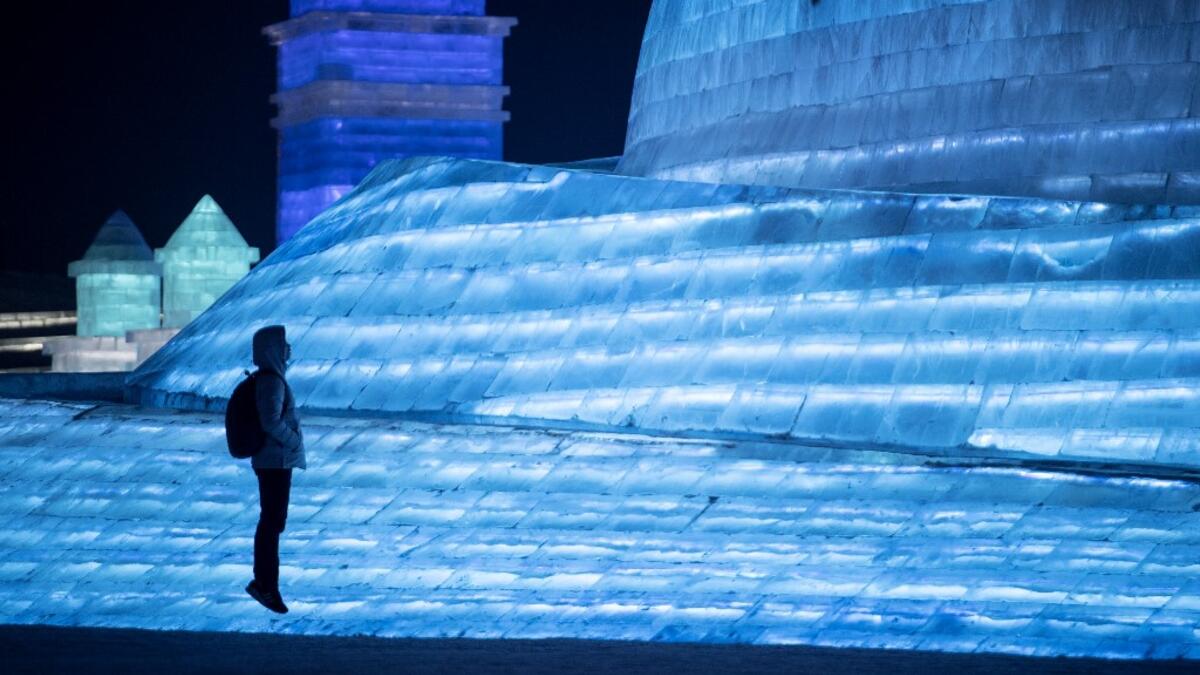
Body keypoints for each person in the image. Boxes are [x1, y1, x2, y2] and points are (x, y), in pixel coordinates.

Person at [244, 325, 305, 614]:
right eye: (283, 345)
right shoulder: (273, 382)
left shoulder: (270, 379)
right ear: (272, 349)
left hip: (273, 460)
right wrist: (293, 441)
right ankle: (266, 585)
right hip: (275, 461)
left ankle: (266, 584)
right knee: (272, 522)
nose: (288, 349)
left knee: (272, 522)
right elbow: (270, 421)